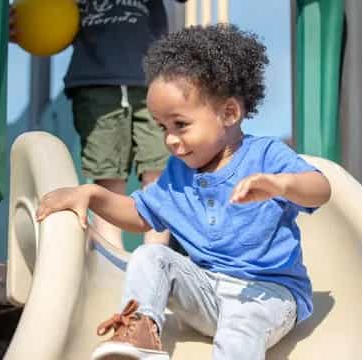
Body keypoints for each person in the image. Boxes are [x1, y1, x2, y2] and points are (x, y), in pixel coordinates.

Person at [36, 24, 332, 360]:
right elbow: (140, 216)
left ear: (229, 113)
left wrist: (281, 184)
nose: (170, 139)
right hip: (206, 291)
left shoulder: (265, 155)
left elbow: (320, 190)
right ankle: (141, 334)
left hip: (269, 295)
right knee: (151, 256)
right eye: (163, 127)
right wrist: (93, 195)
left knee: (240, 328)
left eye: (181, 124)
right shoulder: (178, 173)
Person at [10, 0, 187, 250]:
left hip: (152, 80)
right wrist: (24, 24)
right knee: (108, 174)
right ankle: (111, 253)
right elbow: (46, 18)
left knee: (158, 168)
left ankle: (155, 252)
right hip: (95, 82)